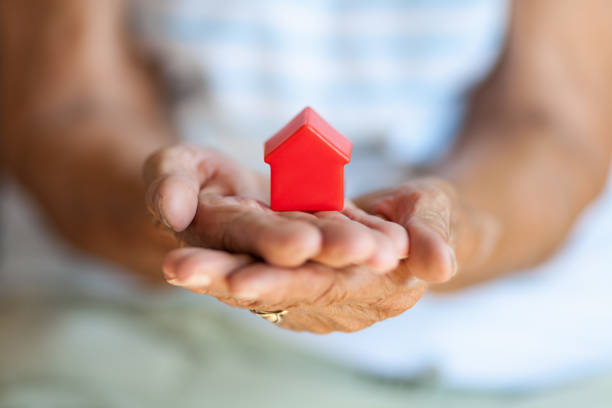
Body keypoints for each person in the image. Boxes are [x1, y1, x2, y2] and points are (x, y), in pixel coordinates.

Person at [1, 0, 611, 338]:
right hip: (129, 323)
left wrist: (457, 231)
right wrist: (176, 214)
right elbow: (67, 110)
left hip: (510, 340)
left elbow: (555, 128)